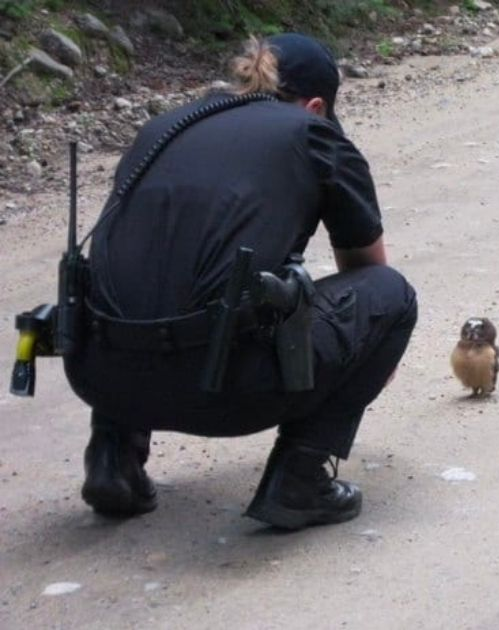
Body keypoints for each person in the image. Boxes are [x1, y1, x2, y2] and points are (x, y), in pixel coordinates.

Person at [63, 33, 418, 530]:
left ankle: (112, 462)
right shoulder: (314, 134)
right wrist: (367, 353)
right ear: (316, 105)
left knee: (151, 274)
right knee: (392, 296)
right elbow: (368, 268)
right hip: (224, 390)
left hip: (98, 374)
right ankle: (300, 479)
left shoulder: (162, 129)